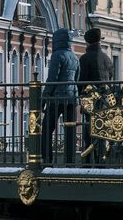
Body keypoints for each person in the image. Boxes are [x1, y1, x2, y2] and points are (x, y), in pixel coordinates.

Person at [42, 28, 80, 163]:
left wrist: (44, 98)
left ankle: (47, 159)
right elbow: (77, 79)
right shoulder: (75, 57)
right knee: (70, 130)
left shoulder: (57, 55)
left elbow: (52, 79)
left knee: (46, 129)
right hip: (72, 98)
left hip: (57, 98)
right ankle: (70, 160)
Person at [77, 28, 115, 164]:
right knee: (102, 130)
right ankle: (101, 161)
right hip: (104, 100)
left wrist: (80, 97)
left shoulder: (85, 58)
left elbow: (82, 81)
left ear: (87, 42)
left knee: (88, 130)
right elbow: (110, 79)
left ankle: (87, 161)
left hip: (90, 100)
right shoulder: (107, 58)